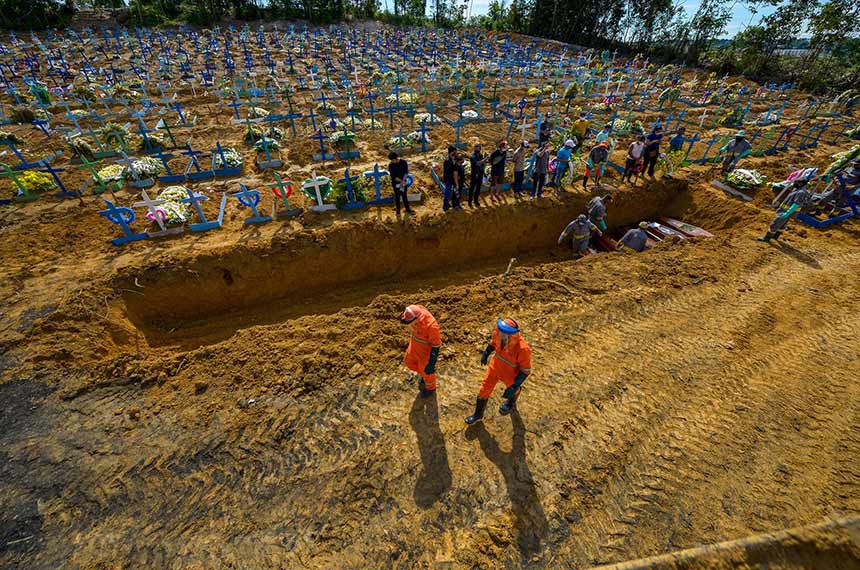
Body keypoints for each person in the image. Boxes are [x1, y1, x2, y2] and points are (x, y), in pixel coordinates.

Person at [465, 318, 532, 424]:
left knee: (513, 390)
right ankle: (478, 415)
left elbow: (525, 370)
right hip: (495, 367)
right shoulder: (498, 333)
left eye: (503, 332)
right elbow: (493, 343)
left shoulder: (523, 349)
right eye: (499, 330)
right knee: (484, 389)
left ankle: (510, 403)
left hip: (510, 373)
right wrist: (487, 352)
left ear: (511, 334)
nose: (500, 333)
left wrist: (515, 385)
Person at [400, 305, 442, 398]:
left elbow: (436, 345)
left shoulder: (431, 326)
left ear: (417, 318)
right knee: (409, 362)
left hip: (425, 352)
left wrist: (432, 363)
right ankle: (422, 375)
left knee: (427, 372)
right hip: (414, 345)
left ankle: (430, 388)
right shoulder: (416, 309)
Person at [758, 177, 814, 242]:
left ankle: (767, 238)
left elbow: (796, 204)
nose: (794, 183)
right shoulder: (797, 189)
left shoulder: (801, 192)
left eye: (796, 182)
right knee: (782, 224)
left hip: (787, 211)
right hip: (786, 211)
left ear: (801, 183)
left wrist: (787, 212)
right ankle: (776, 236)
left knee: (775, 223)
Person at [388, 151, 414, 216]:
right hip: (396, 183)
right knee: (397, 197)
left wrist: (403, 181)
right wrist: (401, 181)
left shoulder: (403, 162)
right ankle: (398, 211)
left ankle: (408, 209)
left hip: (403, 182)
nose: (391, 161)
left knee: (404, 196)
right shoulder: (391, 165)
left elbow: (406, 172)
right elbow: (393, 176)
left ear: (396, 159)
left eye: (392, 160)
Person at [442, 145, 458, 211]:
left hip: (451, 179)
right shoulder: (448, 161)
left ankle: (448, 204)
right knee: (447, 193)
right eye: (455, 151)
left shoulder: (451, 159)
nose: (456, 153)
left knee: (450, 192)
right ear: (451, 152)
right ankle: (445, 206)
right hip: (449, 179)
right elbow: (447, 171)